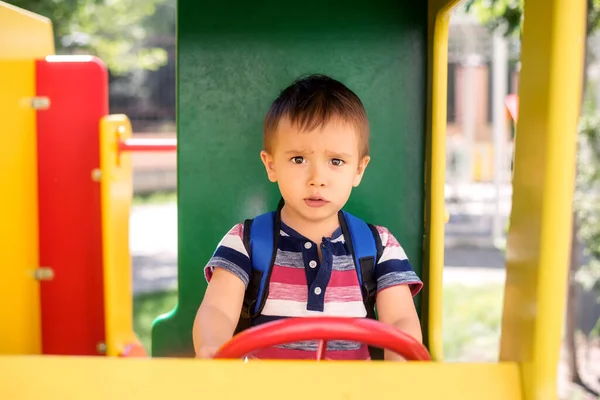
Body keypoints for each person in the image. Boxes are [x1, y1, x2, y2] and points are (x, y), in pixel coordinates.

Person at [193, 74, 423, 361]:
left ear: (359, 170)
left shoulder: (380, 246)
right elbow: (216, 309)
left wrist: (400, 369)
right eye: (298, 159)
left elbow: (400, 320)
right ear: (271, 164)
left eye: (336, 161)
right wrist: (211, 346)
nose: (317, 179)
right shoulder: (246, 241)